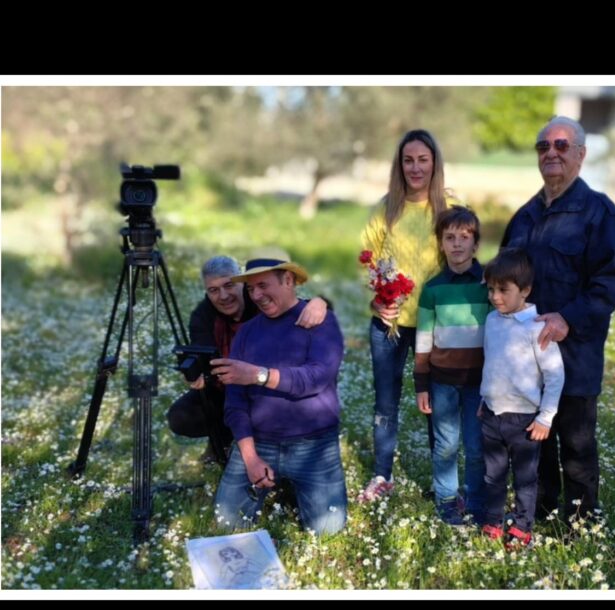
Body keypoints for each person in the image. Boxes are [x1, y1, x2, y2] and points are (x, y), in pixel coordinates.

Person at [501, 116, 615, 522]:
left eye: (561, 145)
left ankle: (580, 525)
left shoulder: (601, 214)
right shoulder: (523, 217)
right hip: (527, 358)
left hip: (576, 354)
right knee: (534, 444)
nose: (551, 152)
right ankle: (536, 517)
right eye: (544, 146)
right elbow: (503, 280)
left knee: (576, 446)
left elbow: (611, 282)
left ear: (580, 154)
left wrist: (568, 319)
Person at [211, 258, 347, 535]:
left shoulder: (320, 320)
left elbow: (316, 379)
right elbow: (234, 402)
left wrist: (259, 375)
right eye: (250, 289)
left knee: (327, 531)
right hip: (261, 443)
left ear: (288, 280)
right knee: (226, 522)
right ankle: (272, 479)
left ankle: (294, 487)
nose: (256, 296)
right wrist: (249, 456)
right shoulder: (247, 333)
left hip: (315, 445)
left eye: (262, 285)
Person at [358, 129, 458, 502]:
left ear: (434, 163)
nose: (415, 167)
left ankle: (444, 484)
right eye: (408, 160)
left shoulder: (448, 207)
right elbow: (366, 261)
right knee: (386, 402)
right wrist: (376, 301)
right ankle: (381, 476)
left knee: (438, 404)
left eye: (423, 159)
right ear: (399, 165)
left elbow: (462, 258)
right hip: (390, 325)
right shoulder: (387, 208)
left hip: (435, 327)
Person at [166, 255, 328, 464]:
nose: (223, 296)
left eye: (229, 285)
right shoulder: (202, 316)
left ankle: (281, 450)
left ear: (242, 282)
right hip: (227, 390)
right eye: (213, 290)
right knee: (181, 416)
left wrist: (320, 302)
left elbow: (298, 308)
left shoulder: (261, 299)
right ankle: (223, 440)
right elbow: (203, 356)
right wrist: (196, 374)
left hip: (270, 387)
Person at [479, 248, 564, 548]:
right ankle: (492, 521)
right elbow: (492, 364)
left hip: (524, 420)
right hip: (491, 415)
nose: (495, 297)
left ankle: (522, 526)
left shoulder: (537, 327)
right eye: (491, 289)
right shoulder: (492, 321)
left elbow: (555, 375)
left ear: (525, 290)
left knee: (525, 479)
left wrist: (545, 417)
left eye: (503, 290)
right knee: (493, 475)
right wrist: (483, 400)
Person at [413, 206, 487, 525]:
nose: (457, 244)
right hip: (442, 381)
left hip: (479, 381)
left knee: (475, 443)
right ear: (441, 244)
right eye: (449, 238)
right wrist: (421, 383)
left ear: (475, 244)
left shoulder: (489, 284)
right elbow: (423, 341)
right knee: (445, 443)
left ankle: (475, 498)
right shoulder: (432, 289)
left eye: (464, 237)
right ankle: (446, 499)